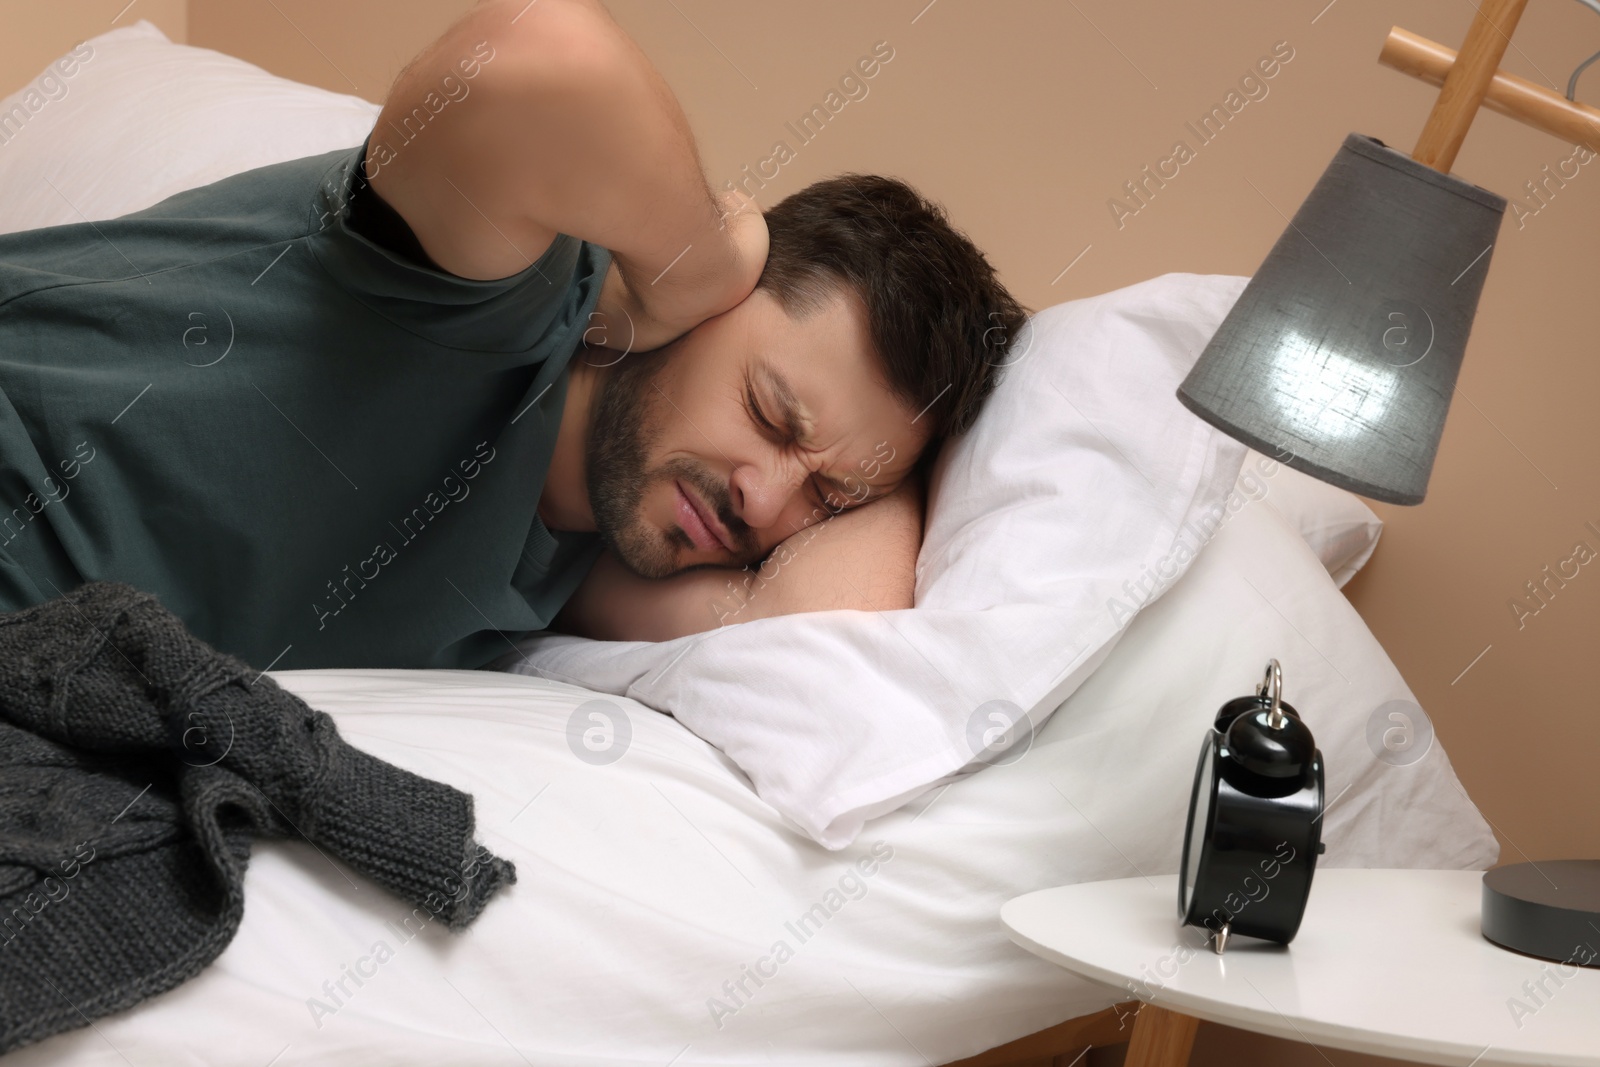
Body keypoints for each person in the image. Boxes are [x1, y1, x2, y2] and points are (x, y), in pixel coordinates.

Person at [0, 0, 1027, 669]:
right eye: (768, 412)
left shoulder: (601, 560)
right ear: (712, 304)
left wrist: (877, 475)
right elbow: (538, 57)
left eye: (825, 495)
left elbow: (818, 644)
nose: (767, 497)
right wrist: (701, 255)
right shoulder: (503, 289)